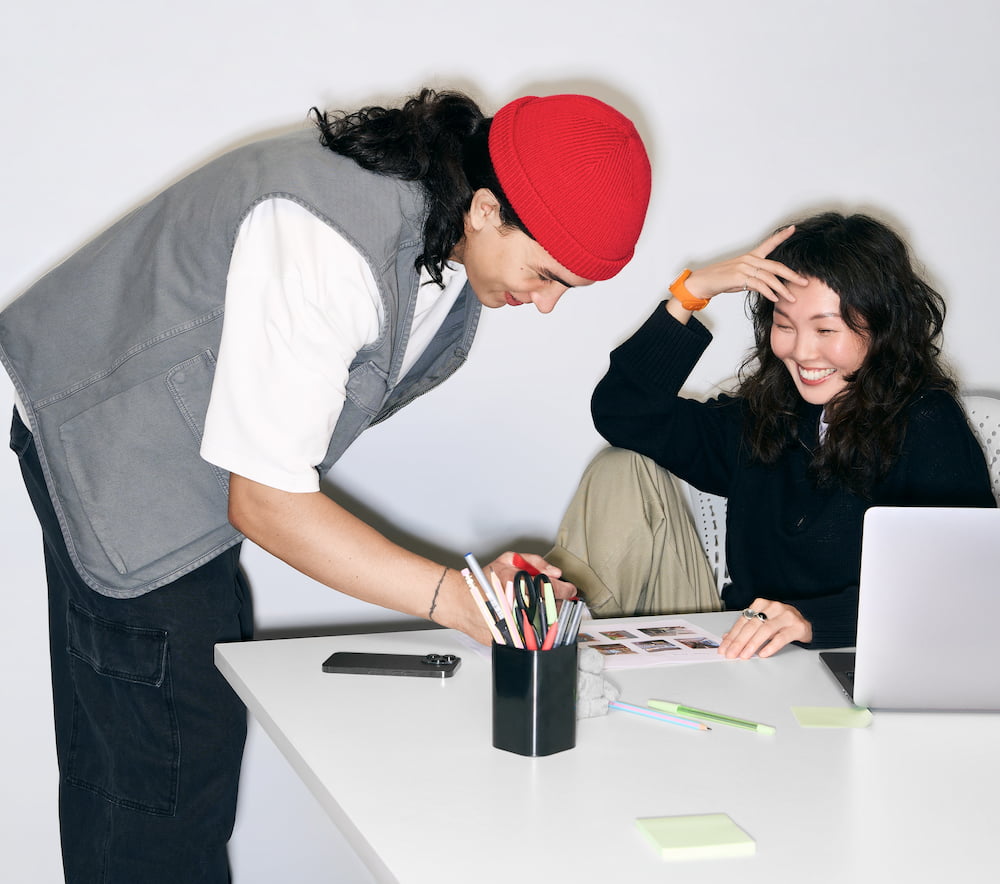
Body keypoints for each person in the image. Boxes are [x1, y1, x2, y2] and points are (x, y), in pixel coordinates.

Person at [0, 88, 651, 883]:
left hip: (166, 462)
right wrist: (460, 601)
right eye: (546, 274)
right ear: (487, 209)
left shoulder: (434, 225)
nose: (546, 304)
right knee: (161, 778)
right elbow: (268, 503)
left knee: (166, 742)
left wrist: (471, 593)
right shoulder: (330, 242)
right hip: (110, 453)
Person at [547, 212, 995, 661]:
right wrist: (692, 293)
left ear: (881, 328)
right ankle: (547, 638)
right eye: (785, 326)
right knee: (620, 467)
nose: (801, 351)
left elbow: (962, 583)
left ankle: (553, 646)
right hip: (743, 644)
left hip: (858, 654)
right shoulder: (767, 412)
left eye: (826, 330)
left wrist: (810, 621)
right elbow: (623, 413)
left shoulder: (927, 422)